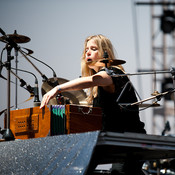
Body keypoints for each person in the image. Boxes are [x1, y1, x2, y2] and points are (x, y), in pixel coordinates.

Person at [40, 34, 146, 174]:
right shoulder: (98, 86)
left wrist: (58, 88)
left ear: (104, 52)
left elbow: (94, 79)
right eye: (86, 49)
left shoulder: (112, 73)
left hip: (128, 142)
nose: (88, 52)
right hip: (111, 141)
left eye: (93, 48)